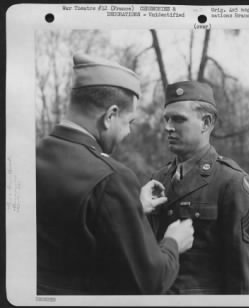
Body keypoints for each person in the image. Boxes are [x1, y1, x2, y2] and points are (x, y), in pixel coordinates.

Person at [36, 54, 194, 295]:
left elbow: (70, 225)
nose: (129, 132)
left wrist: (130, 207)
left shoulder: (31, 157)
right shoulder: (111, 178)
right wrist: (173, 242)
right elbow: (150, 281)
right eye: (128, 122)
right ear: (110, 116)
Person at [148, 81, 249, 294]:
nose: (168, 127)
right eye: (166, 118)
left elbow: (247, 275)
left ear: (206, 122)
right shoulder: (159, 179)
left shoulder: (231, 182)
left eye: (178, 119)